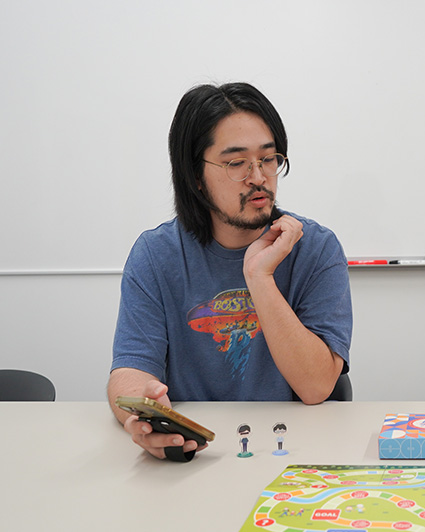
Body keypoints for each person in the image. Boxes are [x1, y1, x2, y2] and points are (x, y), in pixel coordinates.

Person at [107, 82, 353, 459]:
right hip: (194, 452)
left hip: (288, 449)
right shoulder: (156, 255)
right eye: (237, 163)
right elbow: (129, 370)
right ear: (195, 175)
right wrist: (144, 418)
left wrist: (259, 277)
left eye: (268, 159)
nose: (259, 177)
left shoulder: (315, 248)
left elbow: (317, 385)